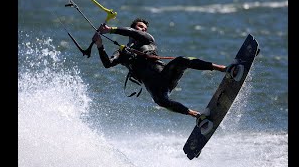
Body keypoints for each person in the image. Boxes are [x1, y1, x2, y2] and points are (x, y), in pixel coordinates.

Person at [92, 18, 231, 119]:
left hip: (166, 75)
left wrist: (111, 30)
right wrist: (100, 45)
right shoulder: (122, 53)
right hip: (155, 88)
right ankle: (197, 116)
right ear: (133, 28)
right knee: (160, 101)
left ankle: (223, 69)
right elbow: (108, 63)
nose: (144, 30)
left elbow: (136, 34)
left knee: (182, 60)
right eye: (140, 27)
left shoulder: (148, 40)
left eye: (145, 28)